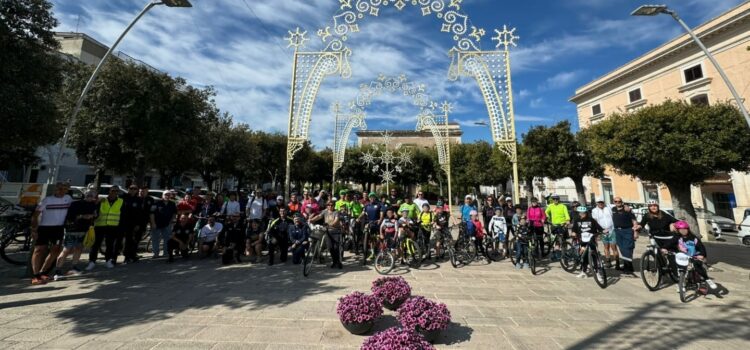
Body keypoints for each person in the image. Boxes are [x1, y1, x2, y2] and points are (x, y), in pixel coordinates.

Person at [30, 182, 73, 284]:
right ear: (55, 189)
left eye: (64, 189)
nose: (61, 191)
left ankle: (43, 272)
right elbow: (35, 215)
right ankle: (35, 275)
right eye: (59, 189)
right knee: (39, 250)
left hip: (58, 228)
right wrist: (34, 229)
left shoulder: (68, 199)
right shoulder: (47, 200)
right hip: (44, 228)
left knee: (56, 249)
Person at [54, 189, 96, 281]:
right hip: (72, 229)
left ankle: (74, 267)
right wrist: (82, 216)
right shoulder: (76, 204)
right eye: (88, 195)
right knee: (66, 250)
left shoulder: (93, 205)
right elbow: (70, 217)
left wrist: (93, 216)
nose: (90, 197)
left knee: (79, 248)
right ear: (84, 195)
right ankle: (57, 270)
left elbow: (95, 215)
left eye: (92, 196)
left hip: (83, 230)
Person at [668, 220, 717, 290]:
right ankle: (682, 282)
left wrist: (702, 255)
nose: (683, 231)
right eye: (681, 230)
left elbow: (701, 247)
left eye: (685, 229)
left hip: (694, 256)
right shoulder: (677, 237)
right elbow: (669, 243)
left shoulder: (693, 238)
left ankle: (707, 279)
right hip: (683, 257)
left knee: (697, 267)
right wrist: (664, 248)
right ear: (678, 230)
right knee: (678, 267)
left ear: (688, 229)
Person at [88, 185, 124, 269]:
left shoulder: (121, 201)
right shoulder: (102, 200)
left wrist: (121, 227)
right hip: (100, 225)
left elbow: (123, 215)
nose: (114, 193)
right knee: (95, 244)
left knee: (110, 245)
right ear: (109, 191)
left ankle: (108, 261)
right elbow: (94, 210)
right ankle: (92, 261)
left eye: (116, 191)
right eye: (112, 191)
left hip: (113, 226)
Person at [571, 206, 603, 278]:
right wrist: (573, 232)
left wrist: (603, 230)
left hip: (591, 240)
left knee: (594, 256)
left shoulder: (591, 220)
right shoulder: (577, 220)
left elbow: (599, 227)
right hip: (582, 240)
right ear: (579, 213)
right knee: (583, 256)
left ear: (586, 213)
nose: (582, 214)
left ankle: (597, 272)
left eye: (584, 213)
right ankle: (583, 271)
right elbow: (574, 229)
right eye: (580, 213)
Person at [311, 201, 343, 269]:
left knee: (336, 248)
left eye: (332, 205)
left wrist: (331, 224)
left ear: (334, 206)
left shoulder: (336, 212)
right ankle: (334, 262)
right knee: (330, 248)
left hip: (336, 231)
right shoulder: (325, 211)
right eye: (328, 205)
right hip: (327, 231)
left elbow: (336, 220)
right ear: (327, 206)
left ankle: (338, 262)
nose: (330, 206)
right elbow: (319, 216)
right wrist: (312, 220)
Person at [612, 196, 638, 276]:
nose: (617, 203)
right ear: (614, 202)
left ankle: (628, 268)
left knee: (628, 248)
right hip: (617, 231)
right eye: (616, 201)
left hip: (627, 230)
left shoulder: (628, 210)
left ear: (622, 202)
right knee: (622, 249)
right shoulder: (613, 209)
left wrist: (635, 231)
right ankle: (628, 266)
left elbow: (634, 221)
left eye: (619, 201)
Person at [591, 198, 619, 269]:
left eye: (602, 202)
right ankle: (608, 261)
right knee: (606, 247)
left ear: (604, 202)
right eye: (599, 202)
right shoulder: (594, 210)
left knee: (614, 247)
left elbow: (618, 204)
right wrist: (596, 232)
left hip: (611, 230)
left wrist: (626, 206)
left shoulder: (609, 207)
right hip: (602, 231)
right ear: (597, 203)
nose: (600, 203)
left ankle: (617, 263)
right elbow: (594, 221)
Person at [148, 191, 177, 259]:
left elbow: (174, 213)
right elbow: (151, 213)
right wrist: (153, 223)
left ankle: (166, 253)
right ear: (162, 195)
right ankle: (156, 254)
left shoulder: (172, 203)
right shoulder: (156, 203)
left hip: (167, 224)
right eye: (166, 194)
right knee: (155, 239)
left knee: (167, 239)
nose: (167, 196)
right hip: (156, 224)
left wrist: (171, 221)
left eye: (169, 195)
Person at [544, 194, 570, 261]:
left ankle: (565, 252)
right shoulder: (550, 206)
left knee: (564, 240)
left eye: (557, 199)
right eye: (554, 199)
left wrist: (567, 220)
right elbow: (546, 212)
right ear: (552, 200)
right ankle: (556, 253)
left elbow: (566, 214)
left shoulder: (563, 206)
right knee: (556, 240)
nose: (555, 200)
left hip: (562, 224)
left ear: (559, 199)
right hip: (554, 225)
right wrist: (548, 218)